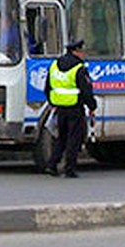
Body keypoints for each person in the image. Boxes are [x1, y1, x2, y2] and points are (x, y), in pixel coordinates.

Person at [43, 38, 97, 178]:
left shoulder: (55, 65)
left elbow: (47, 87)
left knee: (61, 137)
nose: (83, 54)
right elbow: (86, 90)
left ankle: (52, 165)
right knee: (74, 138)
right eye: (82, 51)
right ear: (76, 51)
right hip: (75, 108)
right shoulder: (79, 68)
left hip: (59, 108)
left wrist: (53, 102)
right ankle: (70, 168)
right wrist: (92, 106)